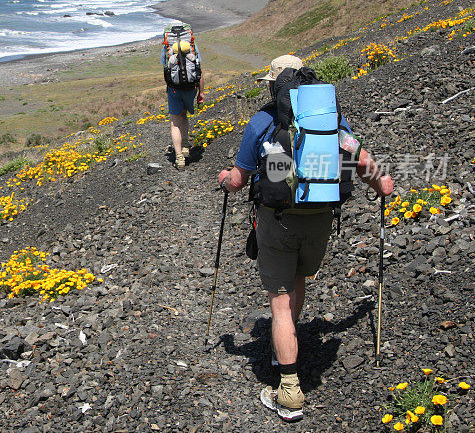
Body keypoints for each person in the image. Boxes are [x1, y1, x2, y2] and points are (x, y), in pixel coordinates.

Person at [217, 55, 394, 422]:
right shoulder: (330, 121)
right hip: (320, 220)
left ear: (273, 85)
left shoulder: (262, 122)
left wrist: (223, 178)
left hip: (278, 220)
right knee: (297, 277)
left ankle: (289, 392)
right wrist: (382, 185)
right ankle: (288, 344)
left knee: (279, 301)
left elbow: (237, 181)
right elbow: (369, 169)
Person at [161, 39, 204, 168]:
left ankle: (179, 157)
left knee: (175, 123)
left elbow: (166, 70)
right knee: (184, 115)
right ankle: (185, 146)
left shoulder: (166, 49)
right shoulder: (192, 46)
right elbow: (199, 71)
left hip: (174, 90)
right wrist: (201, 92)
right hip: (190, 88)